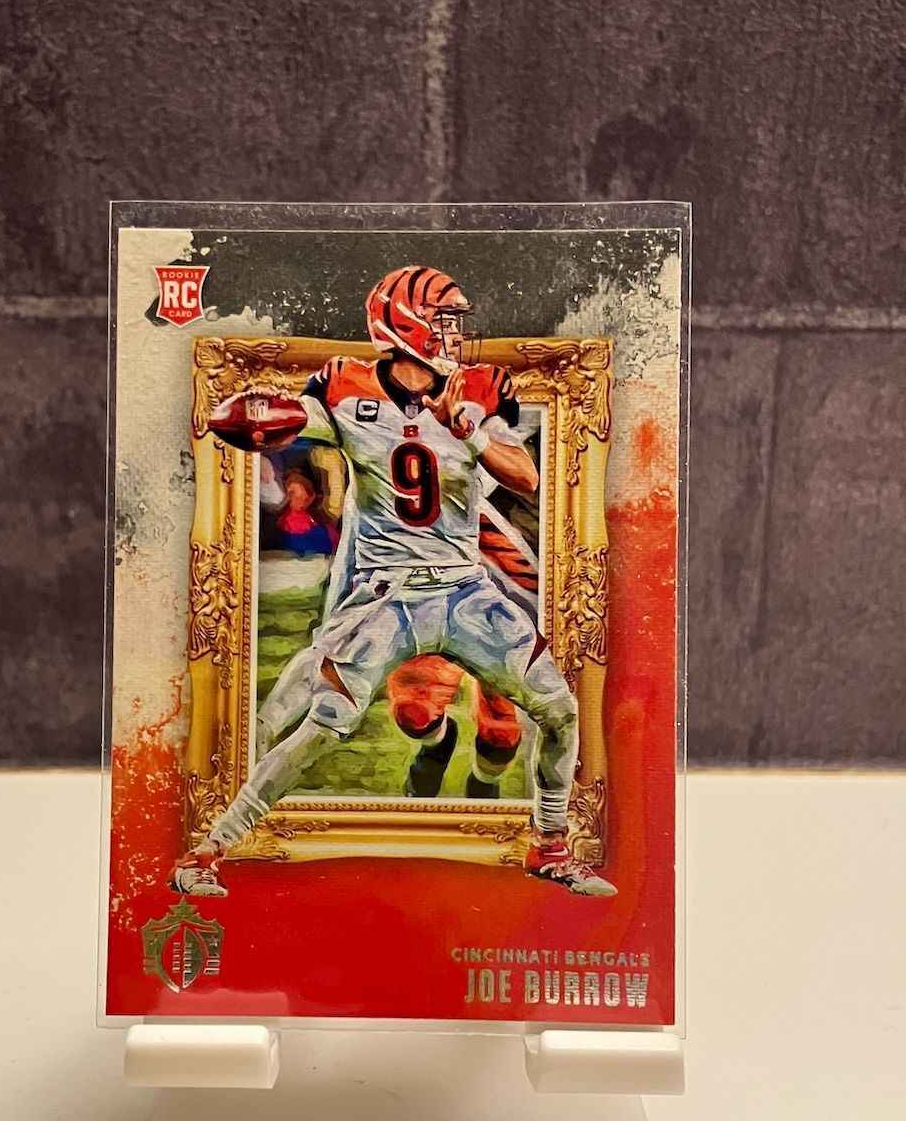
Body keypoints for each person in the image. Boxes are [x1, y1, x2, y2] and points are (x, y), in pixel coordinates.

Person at [173, 264, 615, 898]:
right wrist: (260, 419)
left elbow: (527, 477)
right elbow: (297, 420)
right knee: (327, 723)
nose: (457, 332)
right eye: (445, 320)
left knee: (561, 709)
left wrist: (469, 429)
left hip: (464, 589)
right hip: (387, 594)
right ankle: (211, 847)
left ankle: (549, 845)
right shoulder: (344, 388)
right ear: (407, 325)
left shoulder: (478, 390)